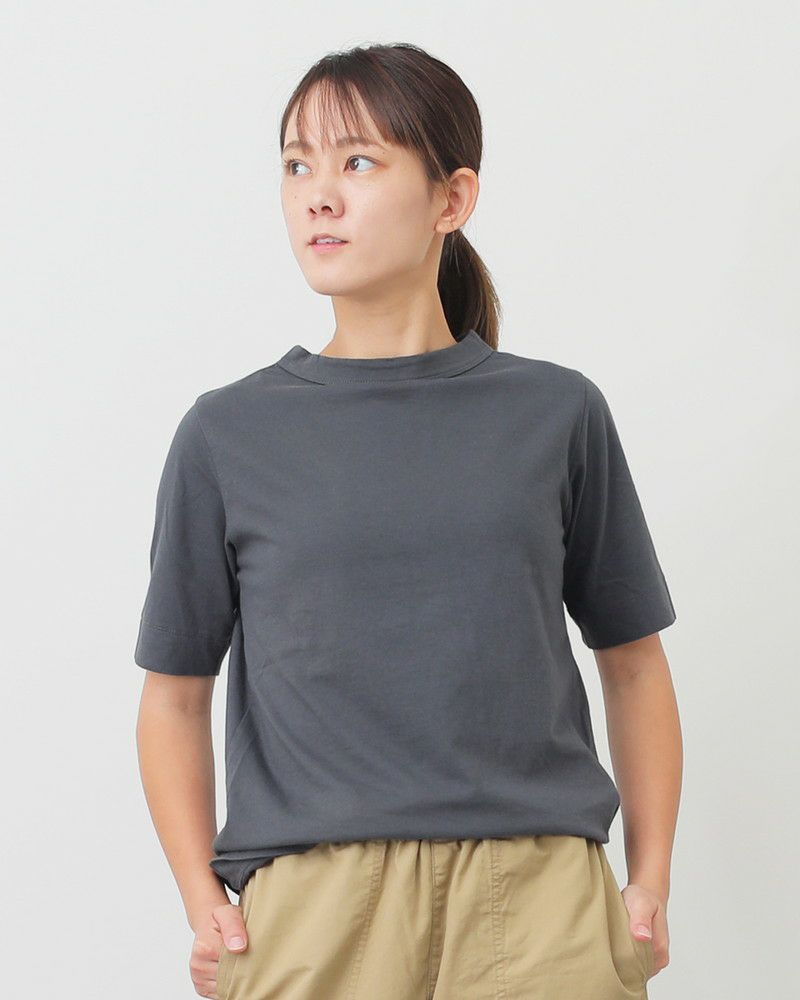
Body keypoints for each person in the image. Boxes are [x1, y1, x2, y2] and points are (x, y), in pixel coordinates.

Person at [134, 42, 681, 1000]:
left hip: (538, 898)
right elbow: (175, 694)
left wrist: (650, 882)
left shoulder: (556, 413)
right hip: (315, 904)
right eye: (296, 165)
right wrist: (199, 895)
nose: (318, 196)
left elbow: (633, 662)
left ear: (451, 199)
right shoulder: (228, 433)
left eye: (357, 161)